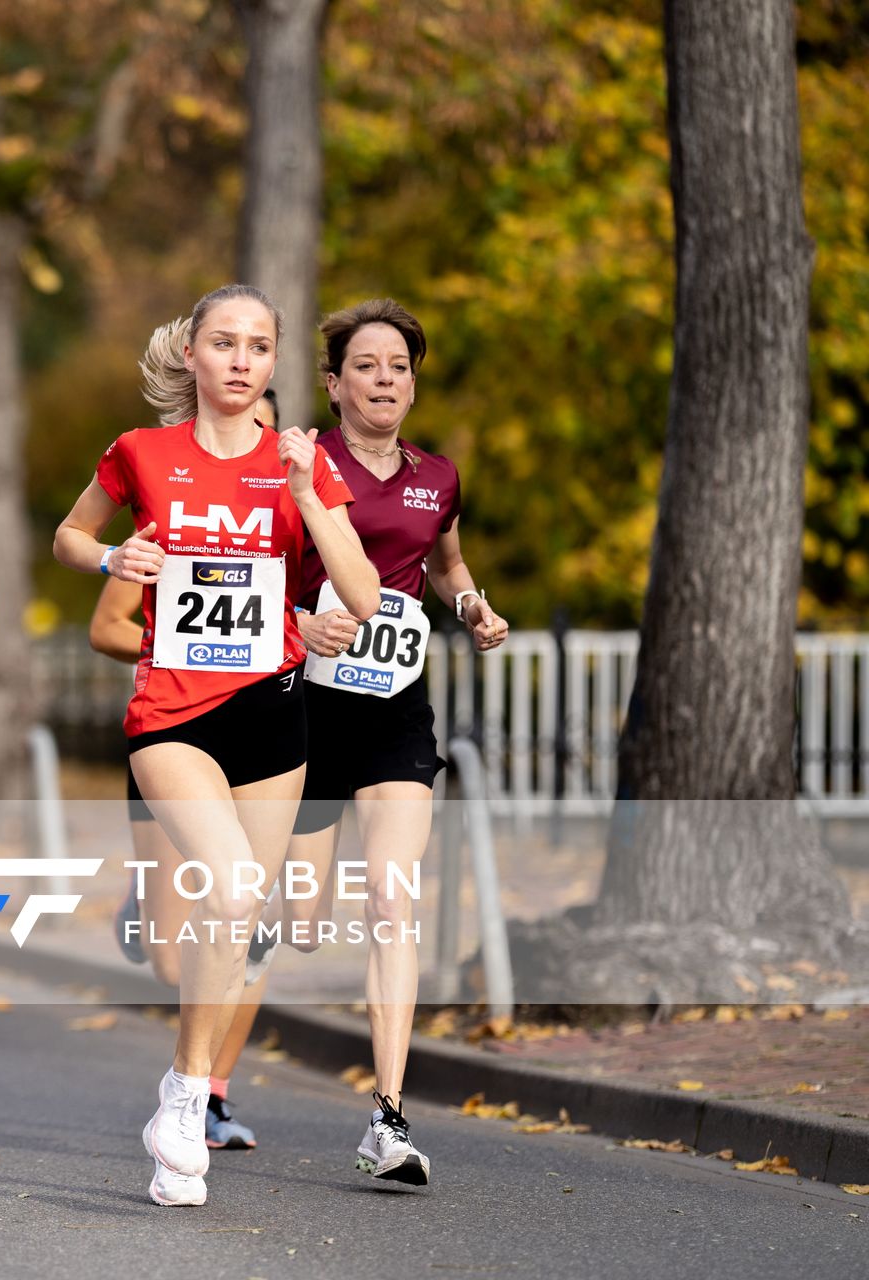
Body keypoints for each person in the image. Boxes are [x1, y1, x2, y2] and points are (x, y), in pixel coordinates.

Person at [53, 284, 378, 1207]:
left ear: (275, 363)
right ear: (191, 356)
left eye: (260, 346)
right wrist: (116, 559)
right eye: (225, 343)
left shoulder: (301, 462)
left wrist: (314, 498)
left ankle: (185, 1099)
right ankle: (188, 1096)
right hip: (171, 715)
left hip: (273, 715)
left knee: (241, 923)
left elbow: (357, 594)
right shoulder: (141, 453)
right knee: (230, 889)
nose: (242, 360)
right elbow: (69, 536)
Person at [249, 298, 508, 1187]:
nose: (384, 380)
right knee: (305, 922)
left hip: (396, 706)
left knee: (393, 904)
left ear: (413, 378)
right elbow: (248, 569)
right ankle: (209, 1058)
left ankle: (388, 1119)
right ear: (333, 382)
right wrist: (293, 620)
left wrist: (472, 608)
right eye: (366, 365)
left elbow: (443, 561)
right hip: (304, 707)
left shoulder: (439, 476)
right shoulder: (297, 462)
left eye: (398, 365)